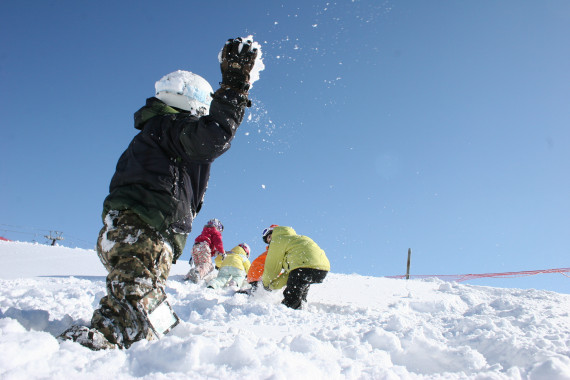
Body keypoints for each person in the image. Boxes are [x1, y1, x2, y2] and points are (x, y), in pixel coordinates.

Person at [59, 37, 260, 350]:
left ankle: (155, 339)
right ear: (191, 101)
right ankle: (93, 343)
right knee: (133, 301)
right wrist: (234, 87)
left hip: (136, 229)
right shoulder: (172, 126)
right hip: (144, 228)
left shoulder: (156, 133)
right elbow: (213, 137)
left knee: (147, 296)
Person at [261, 225, 330, 310]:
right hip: (321, 269)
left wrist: (266, 283)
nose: (269, 241)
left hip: (304, 267)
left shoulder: (278, 240)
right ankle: (301, 310)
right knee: (300, 291)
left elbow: (272, 266)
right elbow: (289, 275)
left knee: (291, 298)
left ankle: (284, 314)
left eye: (268, 237)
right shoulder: (295, 241)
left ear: (274, 232)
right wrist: (273, 286)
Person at [185, 218, 225, 283]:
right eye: (220, 228)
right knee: (208, 266)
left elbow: (208, 252)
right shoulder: (215, 232)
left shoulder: (204, 232)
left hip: (195, 248)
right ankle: (196, 274)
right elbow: (218, 242)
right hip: (204, 246)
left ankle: (190, 275)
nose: (220, 231)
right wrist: (222, 252)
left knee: (200, 265)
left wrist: (216, 253)